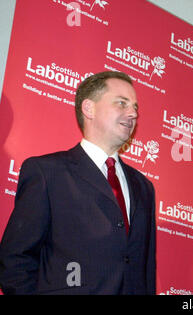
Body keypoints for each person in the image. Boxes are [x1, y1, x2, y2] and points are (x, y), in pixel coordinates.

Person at [0, 71, 156, 294]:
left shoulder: (144, 187)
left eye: (135, 108)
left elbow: (146, 270)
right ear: (89, 108)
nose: (132, 113)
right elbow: (15, 260)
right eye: (122, 104)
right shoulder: (46, 172)